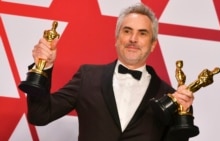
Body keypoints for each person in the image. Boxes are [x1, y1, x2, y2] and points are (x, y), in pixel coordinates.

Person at [26, 3, 194, 141]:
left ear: (153, 44)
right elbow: (39, 115)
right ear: (117, 37)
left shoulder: (169, 96)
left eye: (142, 33)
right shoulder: (88, 77)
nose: (133, 39)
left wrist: (182, 115)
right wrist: (44, 66)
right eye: (127, 31)